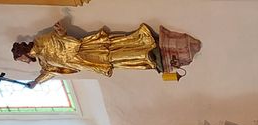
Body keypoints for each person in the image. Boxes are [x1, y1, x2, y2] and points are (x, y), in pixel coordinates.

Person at [12, 20, 159, 86]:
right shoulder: (44, 63)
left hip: (85, 51)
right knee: (113, 62)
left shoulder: (41, 41)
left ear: (23, 53)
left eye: (21, 59)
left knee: (112, 51)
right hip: (83, 63)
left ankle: (145, 44)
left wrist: (62, 33)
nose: (24, 62)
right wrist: (37, 82)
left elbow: (58, 38)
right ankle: (145, 57)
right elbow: (50, 73)